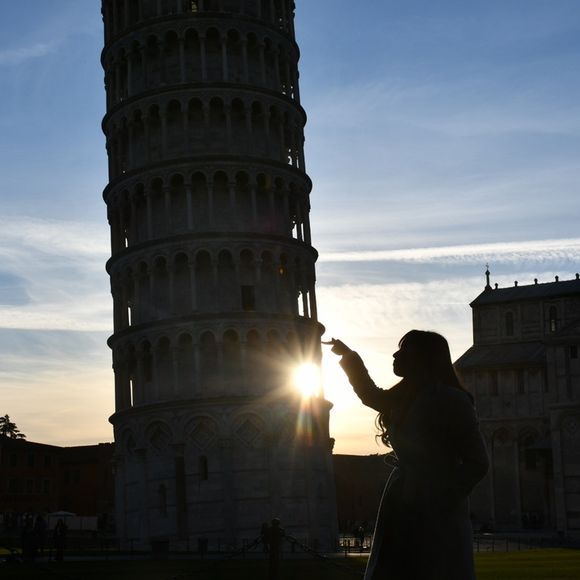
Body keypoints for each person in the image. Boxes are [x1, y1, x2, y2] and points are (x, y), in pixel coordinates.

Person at [326, 330, 489, 580]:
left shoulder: (452, 400)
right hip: (401, 502)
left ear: (423, 357)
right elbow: (369, 393)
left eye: (404, 350)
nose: (395, 355)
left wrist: (439, 499)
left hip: (437, 511)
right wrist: (348, 356)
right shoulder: (403, 398)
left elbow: (477, 462)